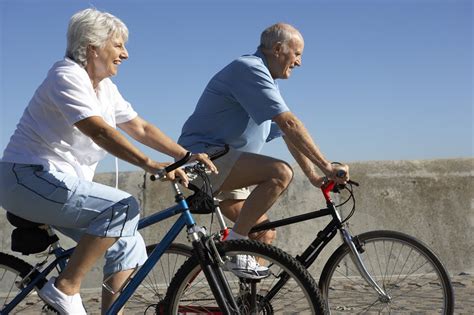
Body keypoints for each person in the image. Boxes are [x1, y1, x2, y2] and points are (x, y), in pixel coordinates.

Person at [0, 8, 216, 315]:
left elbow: (140, 127)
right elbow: (98, 130)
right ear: (93, 47)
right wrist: (149, 163)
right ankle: (66, 288)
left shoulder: (104, 88)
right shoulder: (66, 75)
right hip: (26, 177)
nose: (125, 54)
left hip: (57, 184)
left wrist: (183, 155)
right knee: (123, 207)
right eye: (118, 45)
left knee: (129, 245)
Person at [178, 23, 349, 278]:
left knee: (263, 233)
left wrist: (314, 176)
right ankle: (233, 246)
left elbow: (288, 135)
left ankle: (244, 303)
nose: (300, 62)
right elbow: (289, 123)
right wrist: (327, 165)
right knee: (280, 173)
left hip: (226, 163)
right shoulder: (249, 69)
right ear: (279, 49)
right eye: (297, 54)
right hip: (203, 158)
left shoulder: (266, 82)